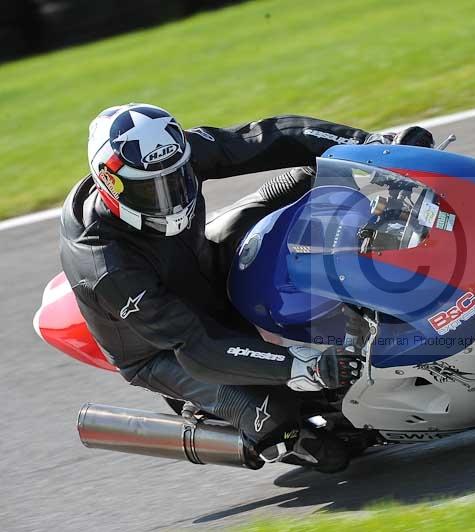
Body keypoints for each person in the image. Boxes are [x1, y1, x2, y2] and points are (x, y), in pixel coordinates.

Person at [59, 103, 435, 472]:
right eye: (149, 192)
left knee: (317, 172)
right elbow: (196, 346)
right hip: (165, 348)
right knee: (291, 427)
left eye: (177, 180)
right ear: (110, 184)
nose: (169, 200)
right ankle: (266, 437)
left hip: (203, 263)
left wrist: (374, 146)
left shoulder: (176, 153)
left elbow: (269, 136)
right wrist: (302, 365)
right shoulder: (106, 266)